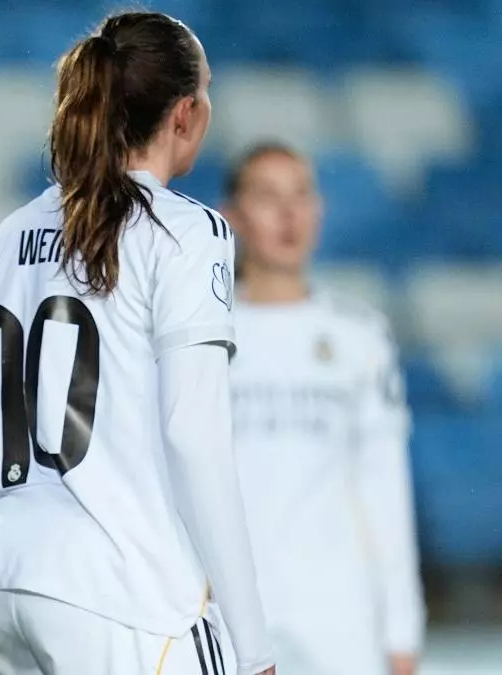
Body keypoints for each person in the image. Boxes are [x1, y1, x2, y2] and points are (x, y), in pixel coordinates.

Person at [0, 12, 275, 675]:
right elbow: (192, 435)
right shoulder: (187, 232)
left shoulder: (10, 234)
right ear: (185, 114)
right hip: (121, 599)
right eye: (206, 89)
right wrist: (254, 644)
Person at [222, 142, 425, 675]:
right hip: (228, 611)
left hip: (339, 614)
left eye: (301, 195)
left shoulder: (360, 335)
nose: (288, 214)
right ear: (232, 216)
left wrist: (402, 629)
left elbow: (384, 487)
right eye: (267, 196)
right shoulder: (201, 333)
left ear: (319, 209)